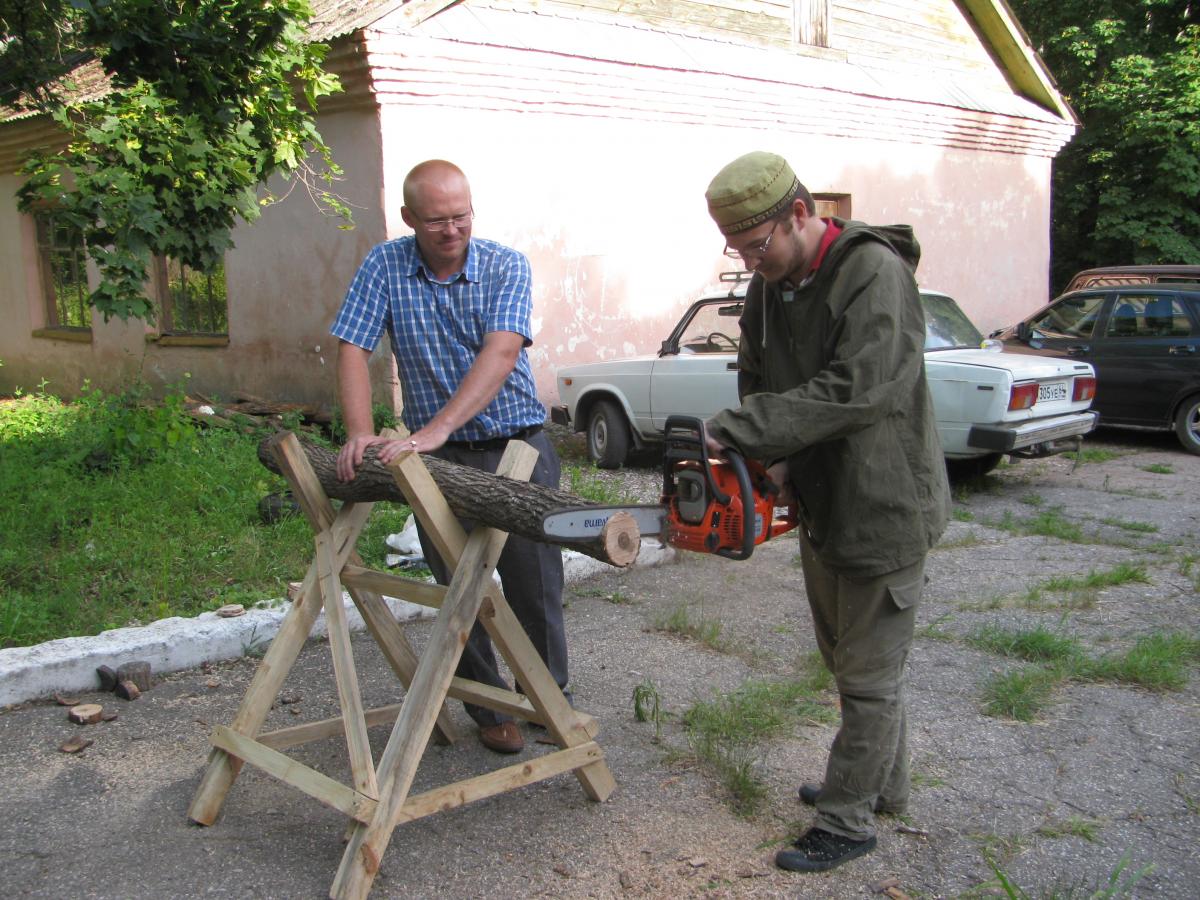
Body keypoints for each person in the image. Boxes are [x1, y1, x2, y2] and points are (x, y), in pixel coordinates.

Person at [702, 151, 951, 872]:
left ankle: (846, 822)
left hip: (883, 501)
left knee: (871, 676)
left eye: (759, 245)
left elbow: (861, 388)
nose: (751, 262)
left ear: (801, 215)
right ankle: (881, 786)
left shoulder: (874, 273)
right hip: (821, 497)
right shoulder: (770, 286)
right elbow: (755, 370)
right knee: (849, 664)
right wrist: (771, 459)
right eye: (739, 250)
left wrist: (744, 432)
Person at [329, 159, 566, 755]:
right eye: (436, 220)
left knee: (534, 584)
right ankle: (488, 710)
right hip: (439, 457)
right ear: (409, 218)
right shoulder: (385, 264)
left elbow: (502, 350)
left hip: (518, 445)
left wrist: (433, 429)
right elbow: (353, 347)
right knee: (457, 588)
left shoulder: (505, 264)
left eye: (461, 216)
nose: (451, 229)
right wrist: (360, 432)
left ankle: (546, 698)